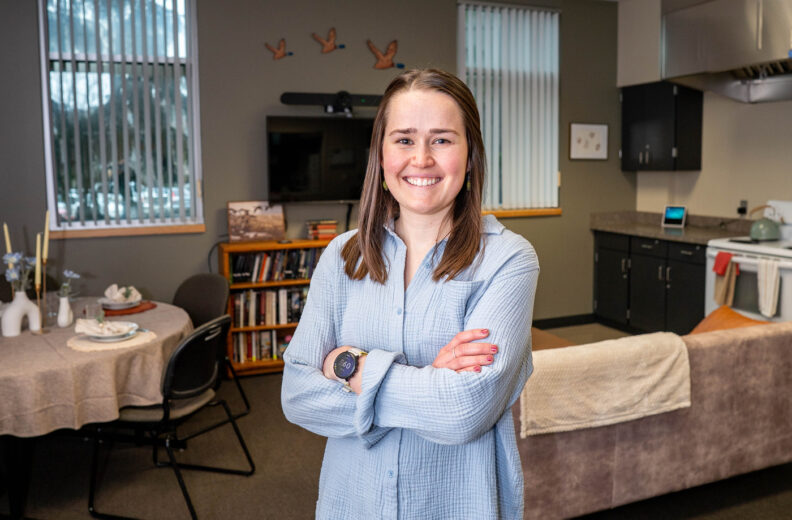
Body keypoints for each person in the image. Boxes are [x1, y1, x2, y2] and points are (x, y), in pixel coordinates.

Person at [281, 68, 539, 519]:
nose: (421, 158)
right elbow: (297, 395)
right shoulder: (342, 256)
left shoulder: (509, 260)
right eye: (403, 139)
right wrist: (429, 380)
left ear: (471, 155)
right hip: (351, 504)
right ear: (381, 156)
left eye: (441, 139)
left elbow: (463, 411)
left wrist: (348, 366)